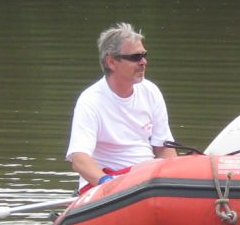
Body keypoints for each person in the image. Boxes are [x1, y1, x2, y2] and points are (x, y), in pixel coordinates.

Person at [66, 22, 176, 192]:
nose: (143, 62)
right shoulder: (90, 101)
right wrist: (108, 182)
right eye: (135, 57)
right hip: (107, 181)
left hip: (147, 179)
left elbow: (164, 148)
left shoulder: (151, 91)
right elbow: (79, 159)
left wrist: (172, 180)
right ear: (111, 62)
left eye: (144, 55)